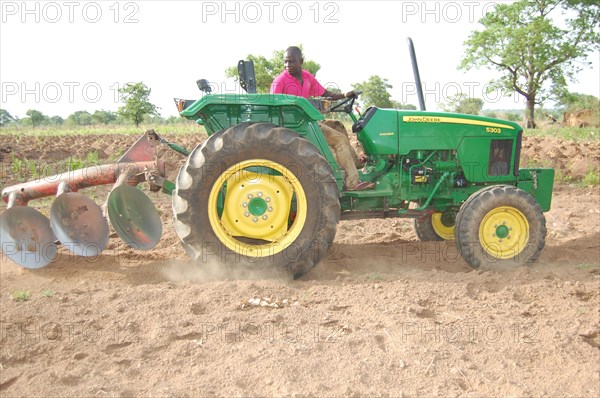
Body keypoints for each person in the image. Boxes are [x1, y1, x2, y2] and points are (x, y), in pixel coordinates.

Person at [270, 46, 372, 191]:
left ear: (301, 61)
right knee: (340, 140)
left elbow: (325, 93)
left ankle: (356, 165)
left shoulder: (306, 77)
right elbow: (273, 107)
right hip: (296, 127)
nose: (287, 65)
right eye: (285, 62)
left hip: (307, 121)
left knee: (338, 126)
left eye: (291, 62)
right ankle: (352, 183)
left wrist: (344, 95)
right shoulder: (280, 81)